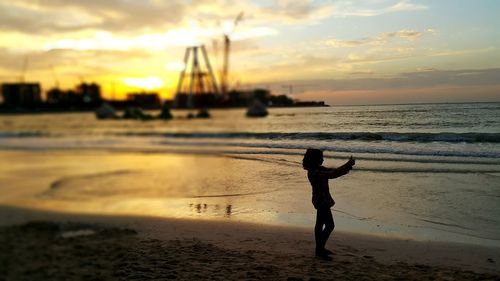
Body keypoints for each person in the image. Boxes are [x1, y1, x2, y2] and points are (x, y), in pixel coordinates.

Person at [302, 149, 355, 260]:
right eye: (321, 158)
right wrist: (348, 165)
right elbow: (333, 174)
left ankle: (319, 249)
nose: (323, 159)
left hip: (321, 200)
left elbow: (333, 171)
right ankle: (320, 249)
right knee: (330, 225)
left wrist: (347, 165)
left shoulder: (317, 170)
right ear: (315, 159)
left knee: (320, 224)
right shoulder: (315, 172)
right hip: (322, 201)